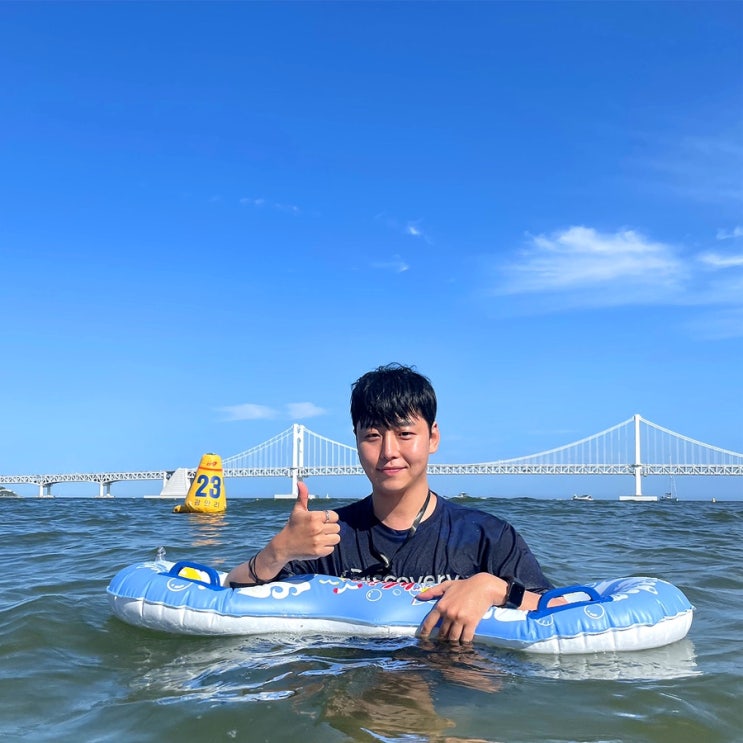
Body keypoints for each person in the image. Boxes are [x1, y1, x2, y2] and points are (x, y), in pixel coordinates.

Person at [226, 363, 561, 643]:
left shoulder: (487, 536)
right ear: (356, 441)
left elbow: (557, 609)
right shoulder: (327, 536)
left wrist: (492, 588)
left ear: (433, 438)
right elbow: (231, 594)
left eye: (404, 434)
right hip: (350, 683)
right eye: (372, 436)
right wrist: (278, 551)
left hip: (451, 685)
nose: (388, 452)